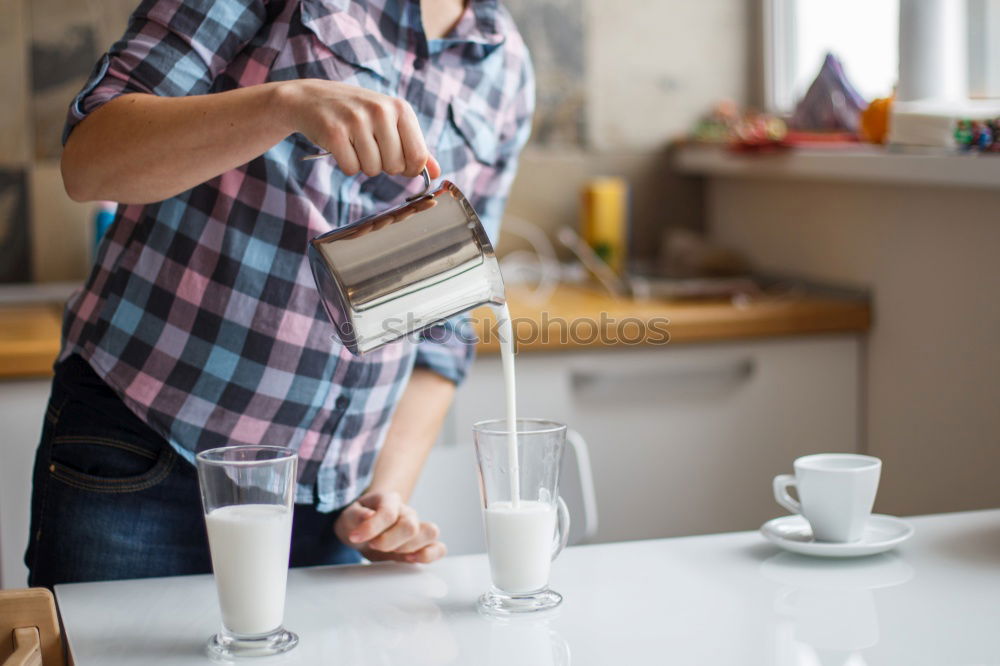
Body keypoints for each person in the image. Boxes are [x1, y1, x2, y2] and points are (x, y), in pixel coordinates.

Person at [25, 0, 533, 586]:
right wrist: (285, 103)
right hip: (149, 461)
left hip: (325, 511)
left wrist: (383, 496)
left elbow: (445, 328)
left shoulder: (506, 64)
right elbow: (90, 161)